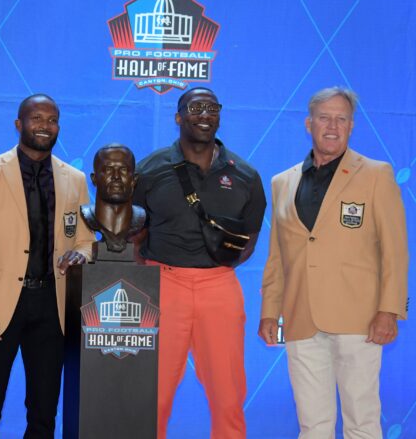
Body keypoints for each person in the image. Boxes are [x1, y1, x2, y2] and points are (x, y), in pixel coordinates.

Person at [259, 87, 408, 438]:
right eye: (324, 117)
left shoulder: (376, 174)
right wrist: (269, 310)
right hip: (300, 318)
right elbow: (278, 256)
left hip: (361, 320)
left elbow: (395, 249)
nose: (332, 126)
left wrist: (389, 310)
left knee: (362, 422)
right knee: (313, 424)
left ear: (352, 127)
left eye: (341, 119)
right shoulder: (283, 182)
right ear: (309, 124)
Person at [133, 87, 266, 438]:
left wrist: (218, 267)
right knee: (152, 396)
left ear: (219, 115)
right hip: (162, 285)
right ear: (179, 117)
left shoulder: (245, 175)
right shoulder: (149, 169)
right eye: (195, 107)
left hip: (219, 286)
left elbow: (250, 237)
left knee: (228, 398)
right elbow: (133, 230)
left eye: (212, 107)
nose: (204, 114)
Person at [0, 94, 95, 438]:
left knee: (44, 411)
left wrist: (82, 253)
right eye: (36, 118)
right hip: (0, 306)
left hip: (53, 305)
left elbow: (85, 239)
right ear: (18, 124)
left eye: (51, 120)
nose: (44, 126)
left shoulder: (74, 179)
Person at [80, 143, 146, 253]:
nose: (116, 176)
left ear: (134, 179)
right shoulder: (84, 215)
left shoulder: (141, 218)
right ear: (94, 179)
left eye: (123, 169)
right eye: (108, 170)